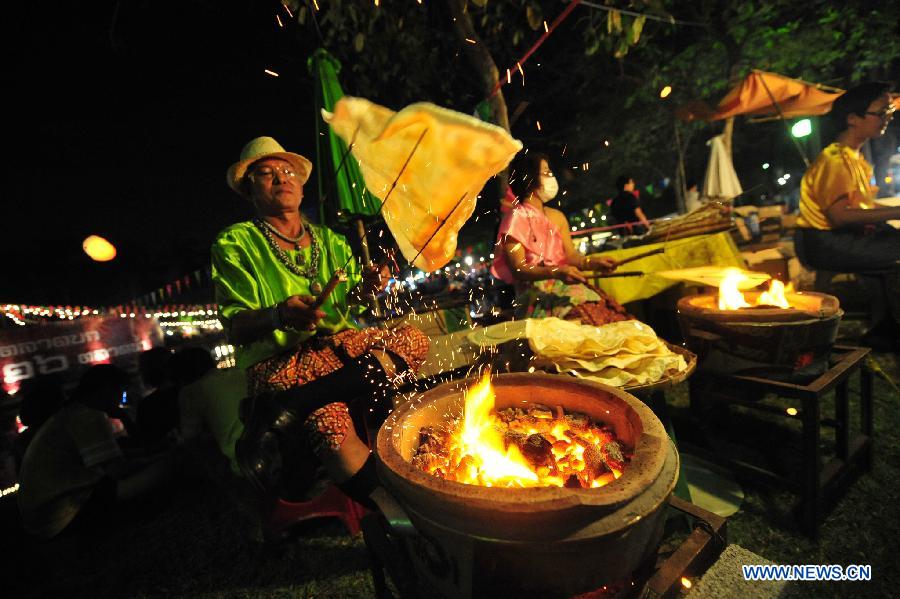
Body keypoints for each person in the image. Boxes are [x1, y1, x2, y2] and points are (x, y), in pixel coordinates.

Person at [211, 136, 428, 505]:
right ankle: (394, 509)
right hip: (280, 362)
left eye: (288, 171)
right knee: (327, 423)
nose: (282, 178)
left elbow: (353, 300)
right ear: (250, 187)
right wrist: (281, 314)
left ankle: (291, 406)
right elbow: (235, 327)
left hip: (338, 350)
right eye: (267, 174)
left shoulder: (330, 240)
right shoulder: (235, 243)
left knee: (413, 338)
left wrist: (369, 286)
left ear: (300, 182)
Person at [794, 82, 900, 348]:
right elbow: (840, 216)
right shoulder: (834, 160)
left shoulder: (854, 157)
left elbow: (862, 207)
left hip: (837, 237)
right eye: (881, 111)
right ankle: (887, 328)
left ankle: (884, 327)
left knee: (891, 238)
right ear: (853, 119)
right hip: (823, 242)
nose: (888, 116)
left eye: (889, 111)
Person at [17, 365, 173, 540]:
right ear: (107, 389)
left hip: (40, 517)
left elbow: (114, 457)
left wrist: (148, 453)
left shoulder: (69, 414)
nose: (121, 399)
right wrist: (158, 458)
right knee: (169, 466)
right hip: (61, 516)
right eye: (120, 393)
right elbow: (118, 471)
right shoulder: (87, 416)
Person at [490, 151, 632, 326]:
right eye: (546, 173)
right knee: (580, 320)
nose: (552, 177)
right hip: (535, 295)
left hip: (568, 287)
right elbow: (518, 269)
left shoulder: (557, 216)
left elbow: (571, 256)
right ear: (530, 179)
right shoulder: (514, 218)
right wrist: (556, 272)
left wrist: (592, 263)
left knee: (609, 315)